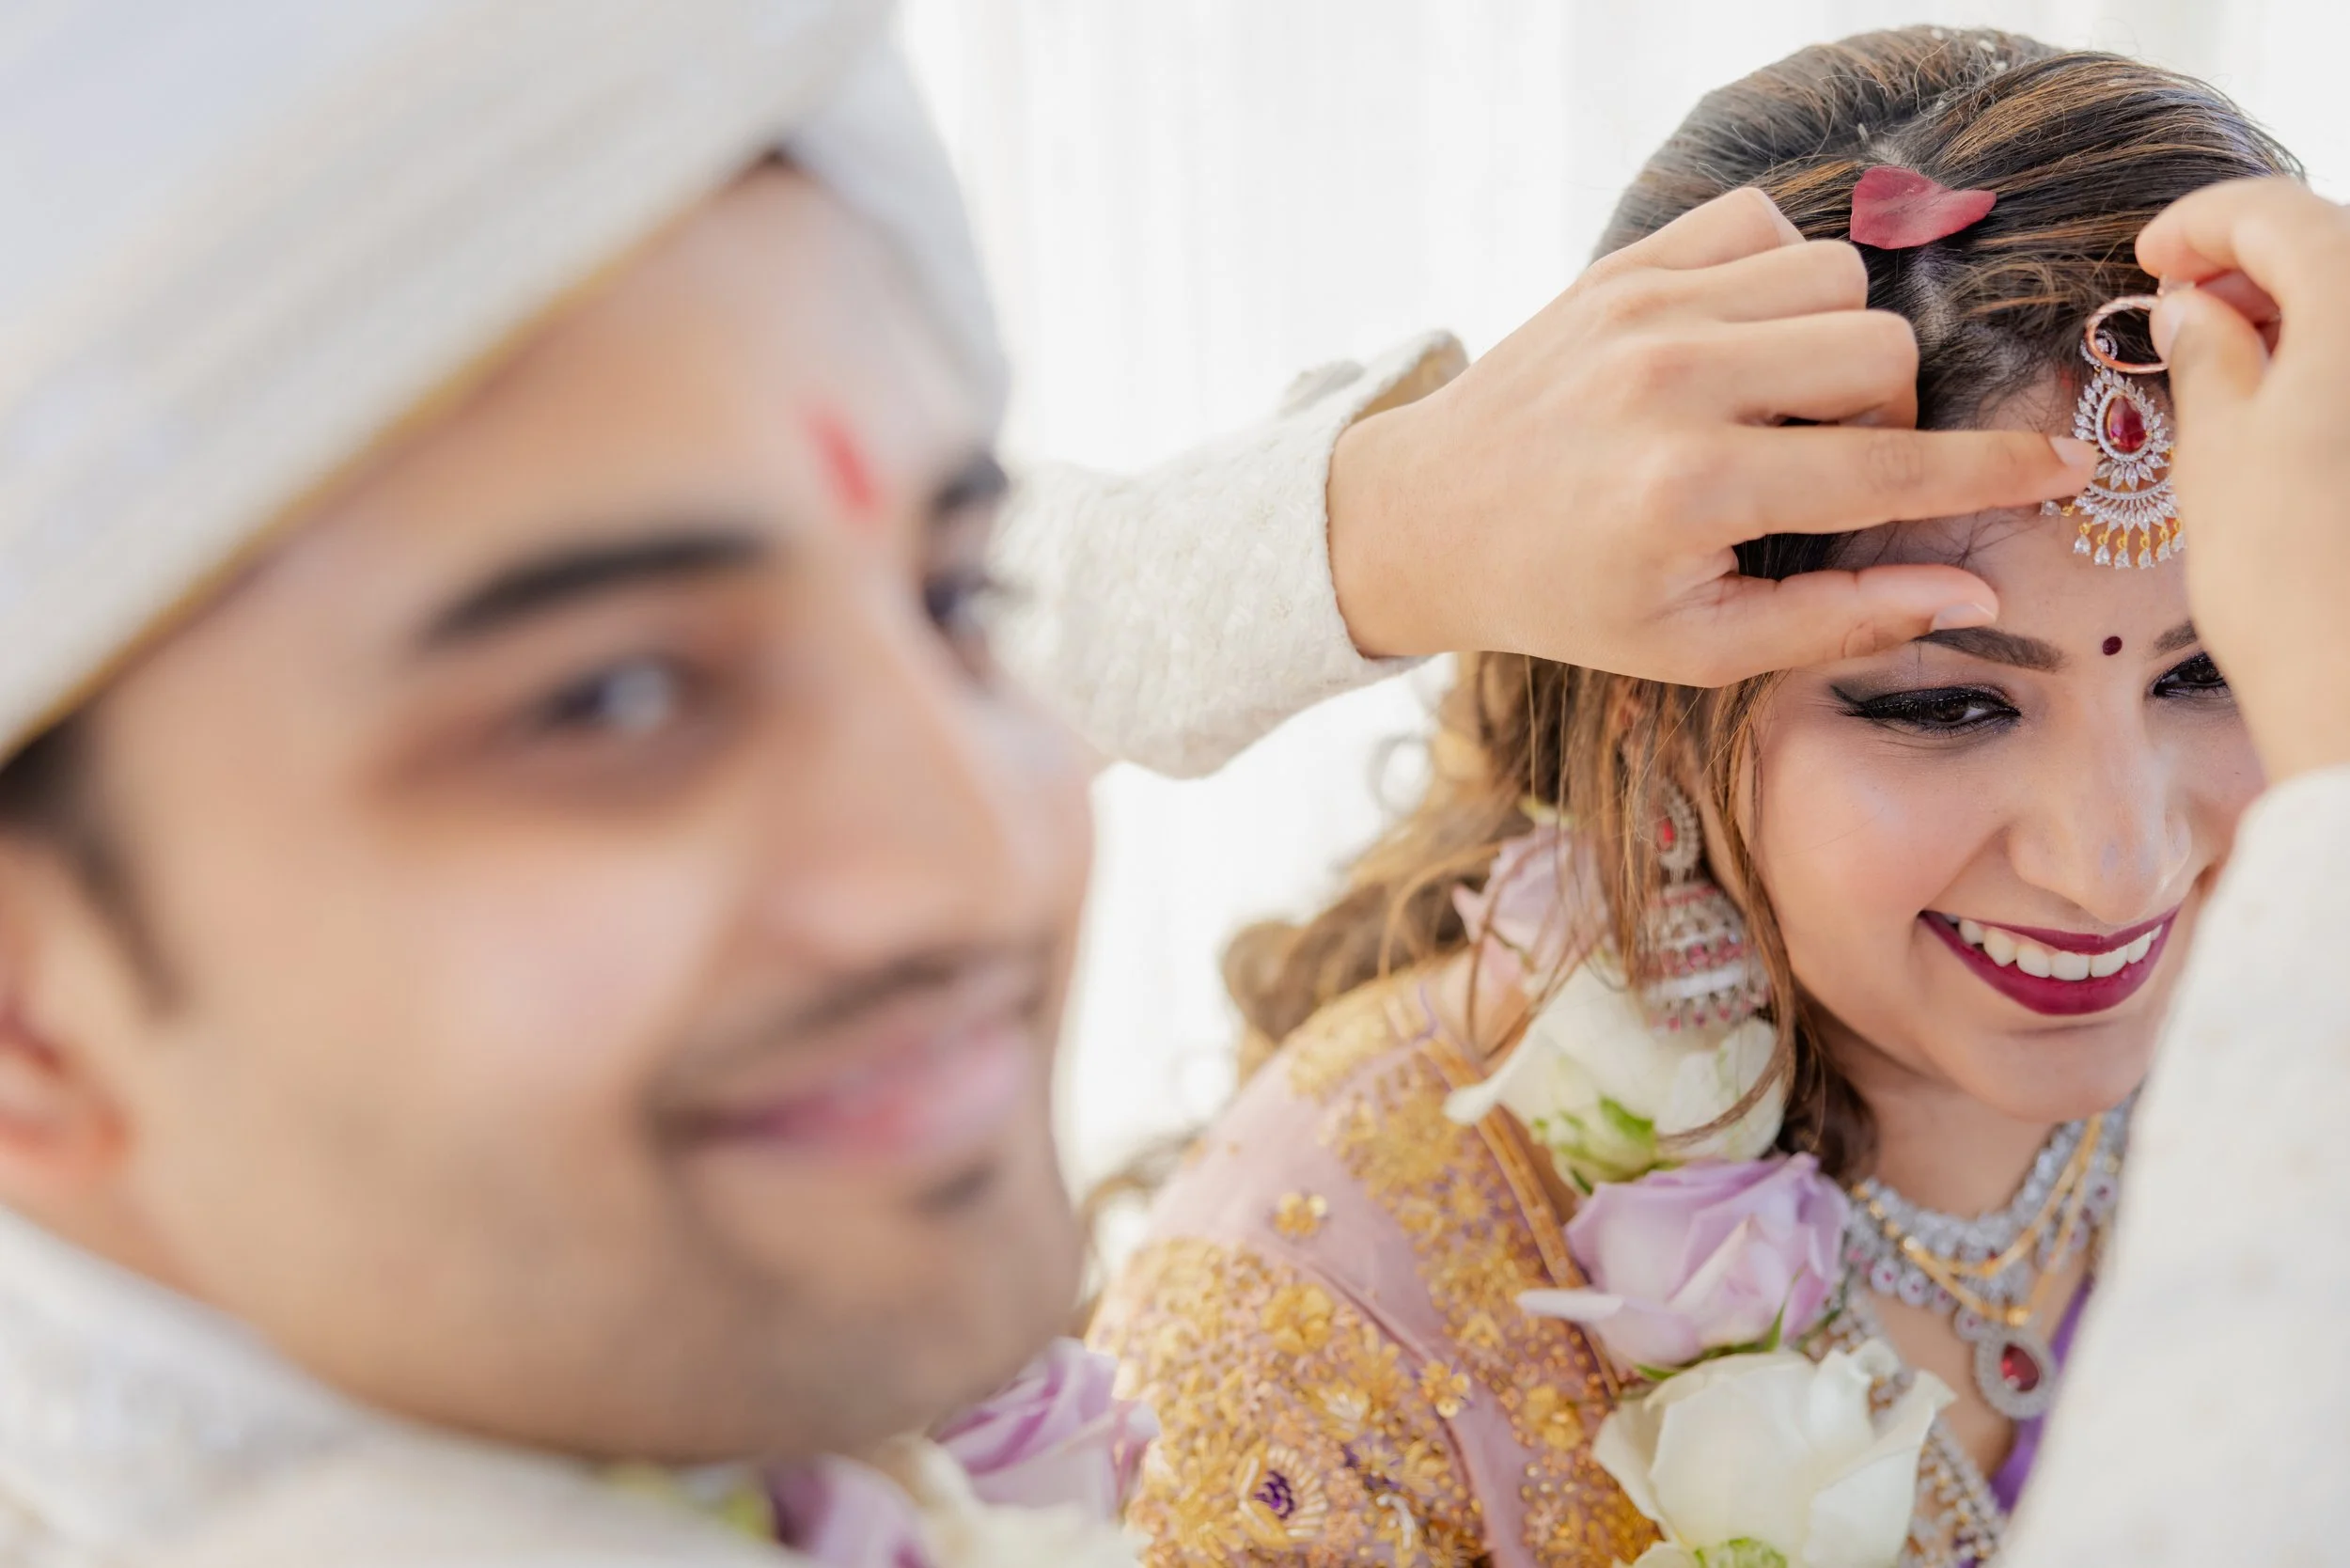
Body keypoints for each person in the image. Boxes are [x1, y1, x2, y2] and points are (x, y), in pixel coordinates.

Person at [0, 5, 2090, 1563]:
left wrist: (1366, 523)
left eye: (948, 595)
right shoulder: (1347, 1255)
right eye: (615, 701)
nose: (989, 841)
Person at [1089, 29, 2292, 1568]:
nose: (2115, 857)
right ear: (1662, 712)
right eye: (1943, 701)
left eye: (2216, 672)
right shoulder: (1326, 1299)